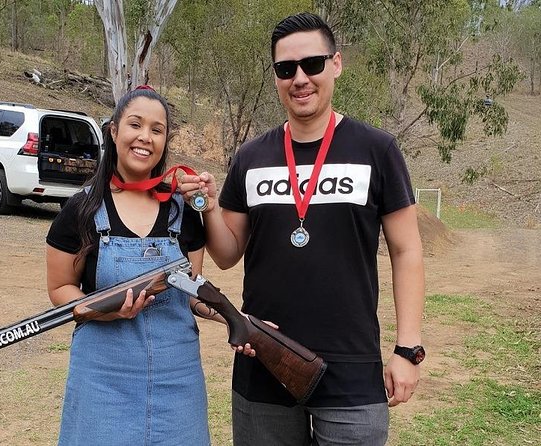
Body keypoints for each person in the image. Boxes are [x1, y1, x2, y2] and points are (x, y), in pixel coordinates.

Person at [179, 12, 425, 446]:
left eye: (312, 64)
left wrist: (408, 350)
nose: (300, 78)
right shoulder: (251, 157)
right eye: (285, 69)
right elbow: (226, 253)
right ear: (275, 76)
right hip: (263, 358)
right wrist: (210, 208)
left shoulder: (377, 149)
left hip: (352, 369)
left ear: (336, 64)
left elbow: (406, 251)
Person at [46, 86, 220, 445]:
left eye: (156, 130)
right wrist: (102, 312)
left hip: (178, 378)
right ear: (114, 131)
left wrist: (238, 320)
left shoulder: (183, 211)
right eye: (135, 125)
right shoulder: (80, 210)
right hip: (102, 378)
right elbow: (60, 289)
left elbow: (192, 290)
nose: (145, 137)